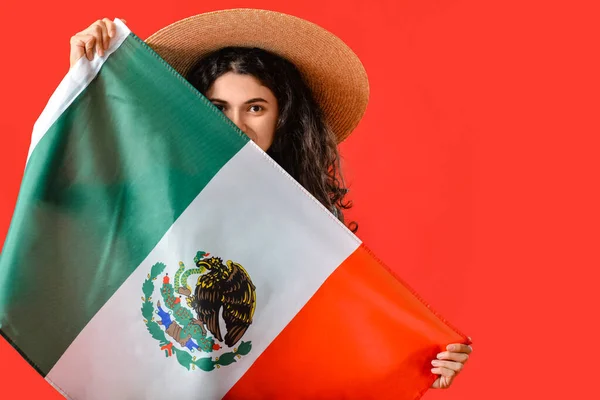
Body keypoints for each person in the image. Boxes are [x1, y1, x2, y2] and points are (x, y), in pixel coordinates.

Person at [68, 10, 472, 390]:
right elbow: (72, 204)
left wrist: (413, 360)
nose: (235, 125)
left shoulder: (310, 217)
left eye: (255, 108)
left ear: (282, 118)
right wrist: (80, 77)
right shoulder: (151, 190)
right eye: (217, 107)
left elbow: (330, 336)